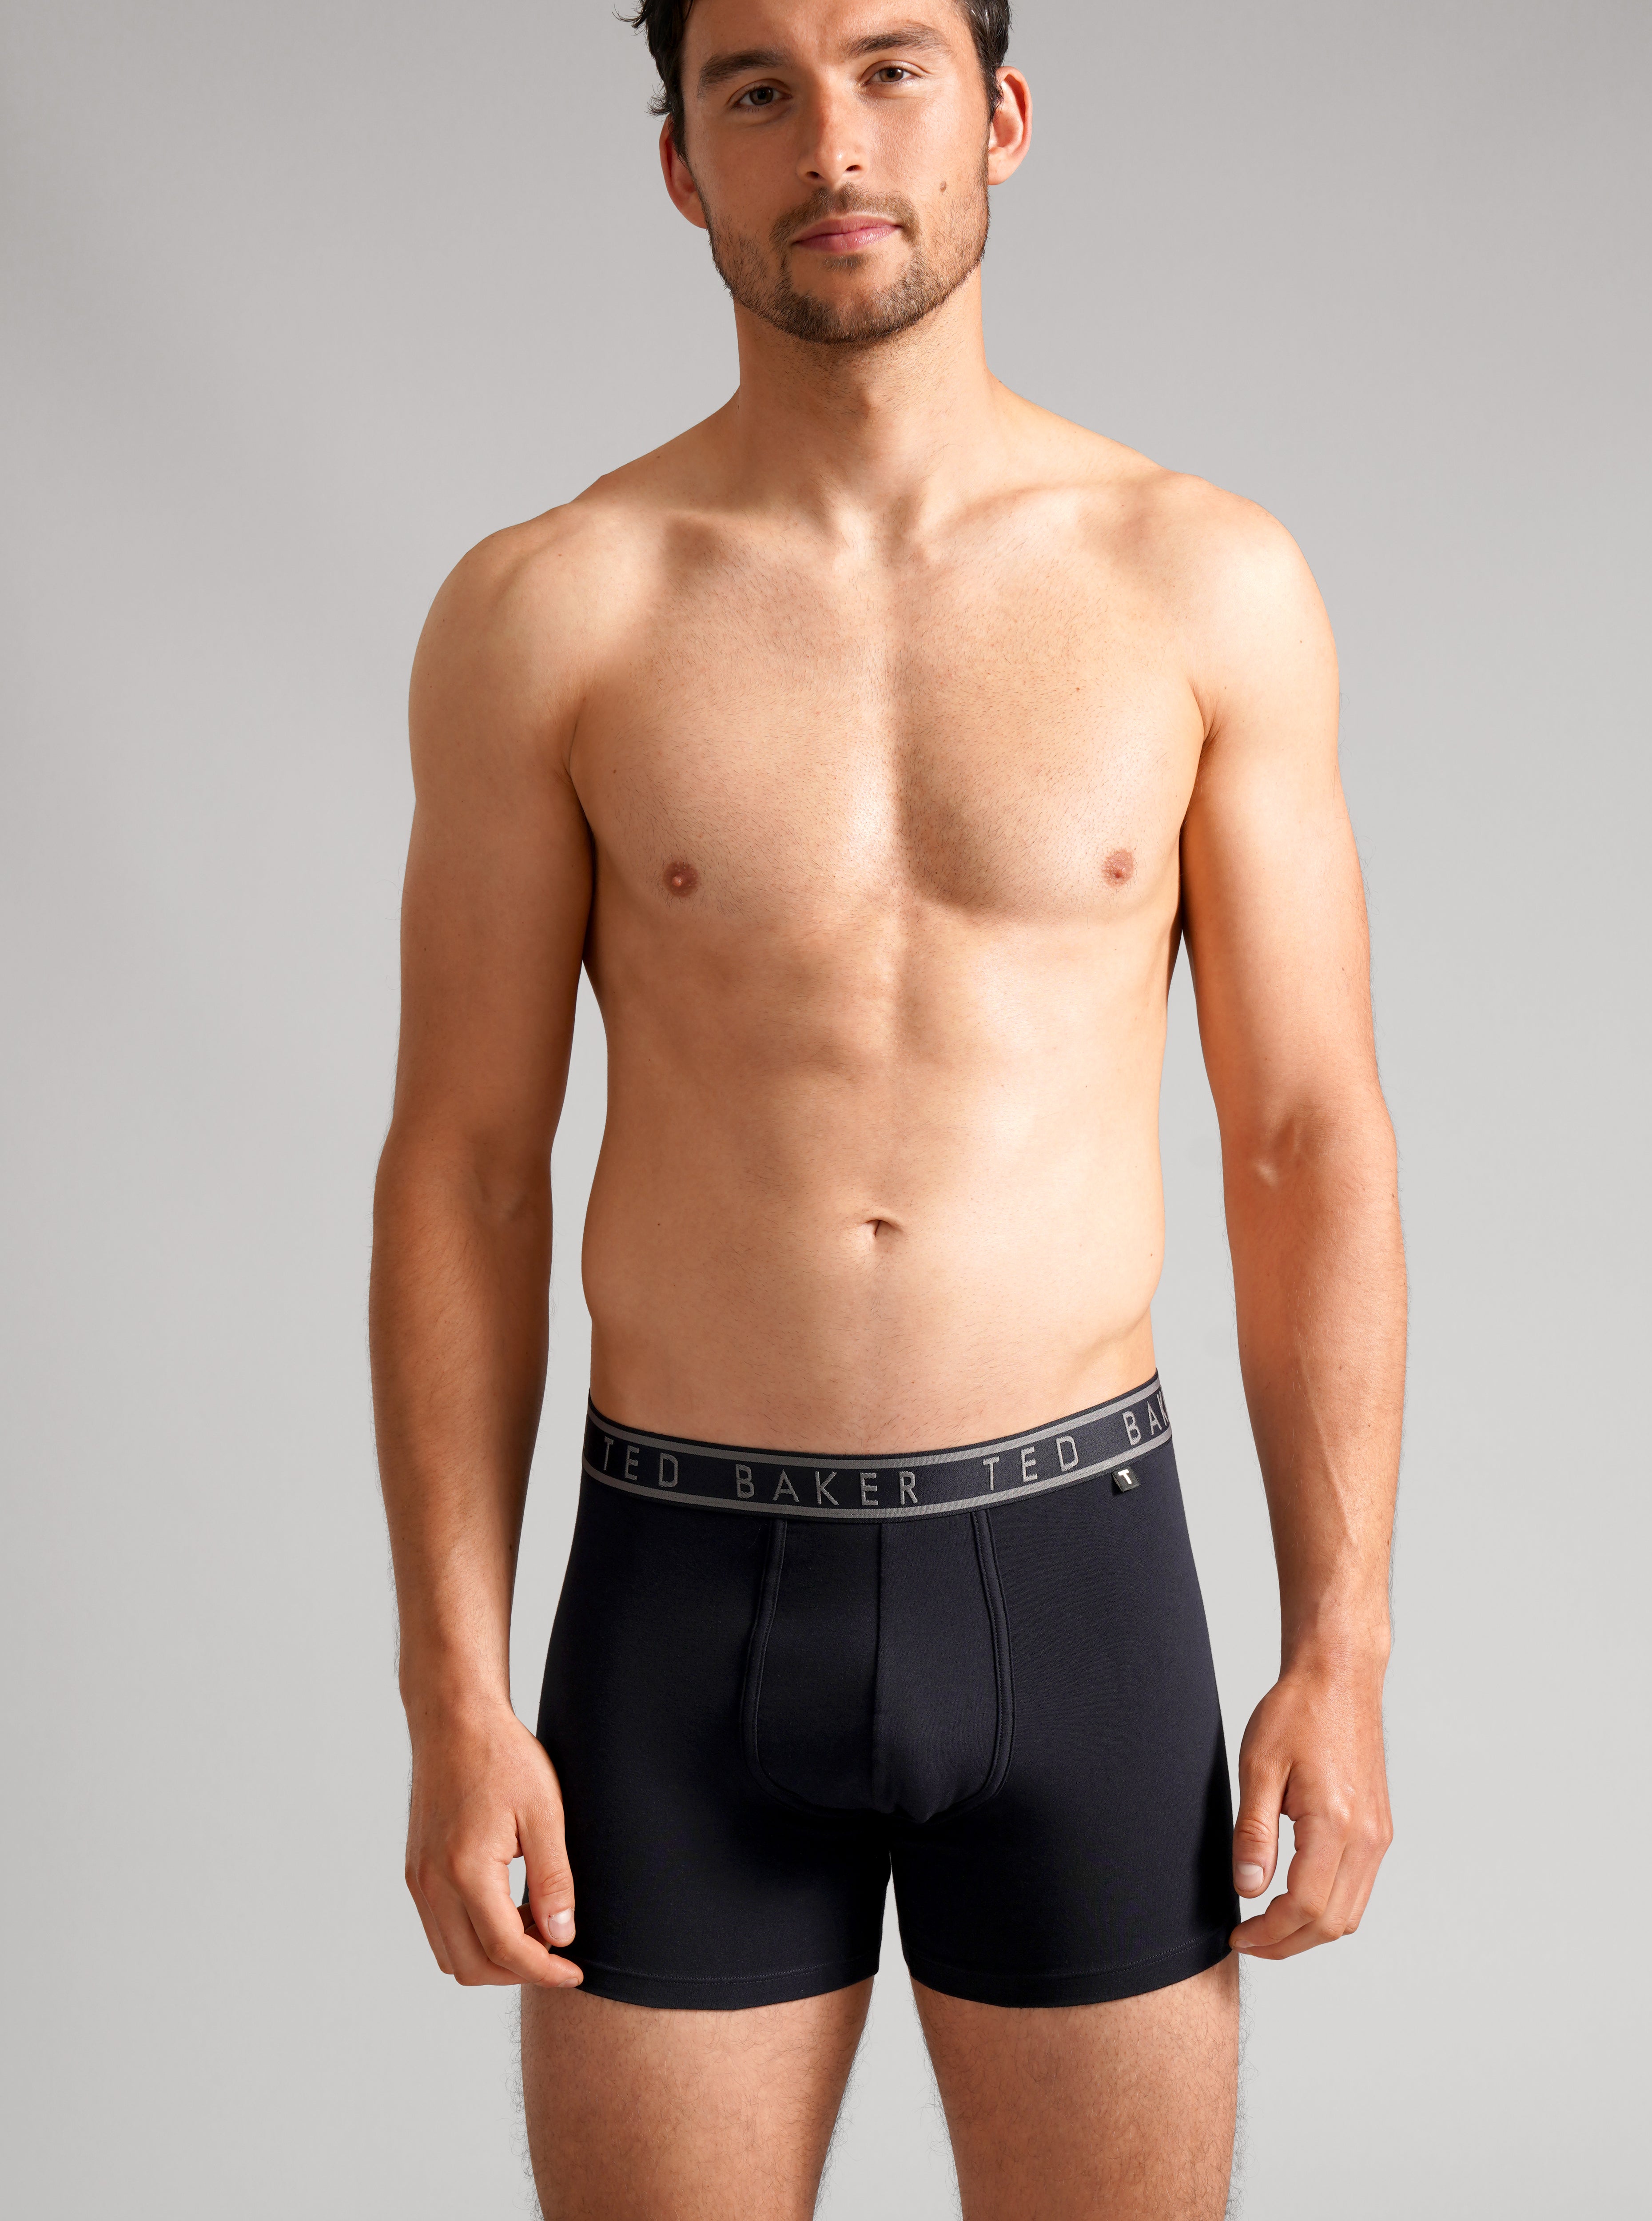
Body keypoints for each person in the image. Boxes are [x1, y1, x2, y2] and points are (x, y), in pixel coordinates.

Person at [369, 1, 1404, 2213]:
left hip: (1077, 1577)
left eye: (891, 66)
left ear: (1000, 114)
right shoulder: (553, 607)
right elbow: (461, 1167)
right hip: (678, 1599)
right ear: (683, 161)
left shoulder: (1198, 583)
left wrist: (1343, 1643)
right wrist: (453, 1687)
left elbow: (1304, 1136)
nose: (831, 140)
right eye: (755, 87)